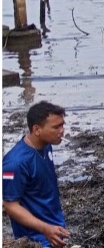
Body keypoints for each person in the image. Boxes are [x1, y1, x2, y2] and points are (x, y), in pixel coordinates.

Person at [2, 101, 69, 248]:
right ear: (37, 129)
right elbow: (10, 206)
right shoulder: (14, 163)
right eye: (56, 127)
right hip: (36, 239)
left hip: (55, 229)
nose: (62, 131)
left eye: (62, 125)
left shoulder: (46, 145)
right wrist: (46, 229)